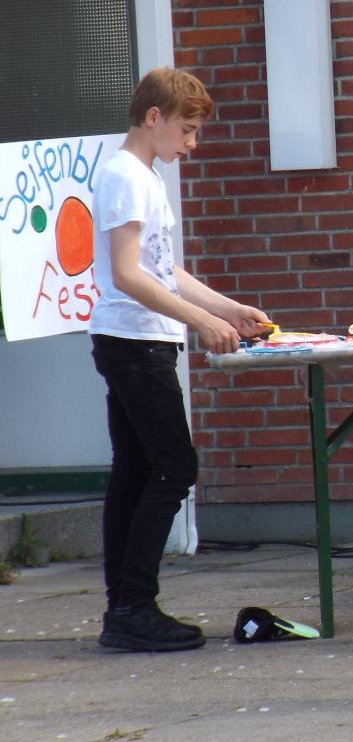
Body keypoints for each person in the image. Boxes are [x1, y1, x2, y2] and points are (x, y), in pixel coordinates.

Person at [89, 67, 271, 652]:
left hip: (135, 340)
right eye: (187, 130)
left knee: (136, 470)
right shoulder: (127, 176)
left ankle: (125, 607)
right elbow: (127, 274)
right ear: (154, 117)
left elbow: (162, 269)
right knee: (173, 467)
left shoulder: (139, 175)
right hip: (136, 342)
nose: (192, 145)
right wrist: (201, 322)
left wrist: (228, 309)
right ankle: (133, 607)